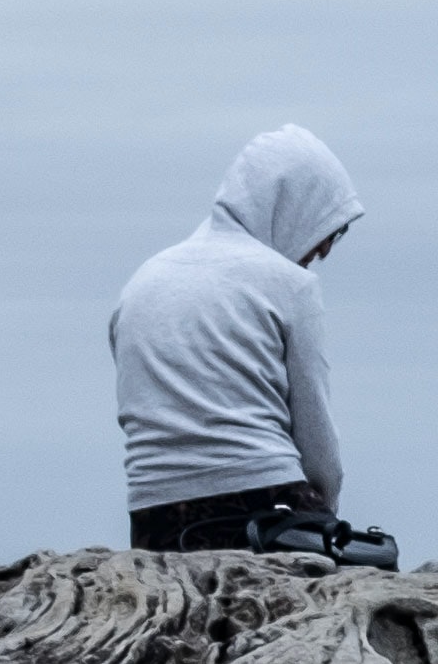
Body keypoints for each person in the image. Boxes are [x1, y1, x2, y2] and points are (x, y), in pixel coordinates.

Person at [109, 125, 363, 553]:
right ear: (292, 205)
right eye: (328, 230)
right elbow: (318, 446)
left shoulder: (141, 283)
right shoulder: (289, 284)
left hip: (153, 519)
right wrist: (323, 516)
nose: (323, 251)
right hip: (264, 507)